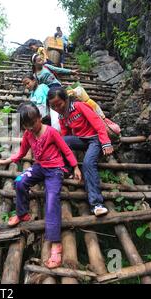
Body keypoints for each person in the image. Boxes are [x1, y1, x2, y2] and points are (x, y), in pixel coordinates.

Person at [0, 104, 82, 269]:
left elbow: (67, 151)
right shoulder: (28, 134)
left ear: (39, 118)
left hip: (55, 169)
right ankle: (22, 214)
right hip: (39, 167)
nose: (30, 128)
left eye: (32, 123)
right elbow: (21, 153)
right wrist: (6, 160)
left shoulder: (51, 132)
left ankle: (55, 243)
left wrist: (75, 167)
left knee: (52, 199)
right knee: (19, 181)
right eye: (26, 125)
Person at [47, 87, 114, 217]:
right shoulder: (62, 115)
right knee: (60, 140)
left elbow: (98, 123)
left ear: (66, 100)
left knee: (88, 163)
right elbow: (65, 135)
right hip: (82, 140)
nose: (57, 108)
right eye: (53, 106)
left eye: (59, 104)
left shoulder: (79, 106)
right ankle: (66, 169)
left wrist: (106, 142)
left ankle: (96, 204)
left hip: (95, 139)